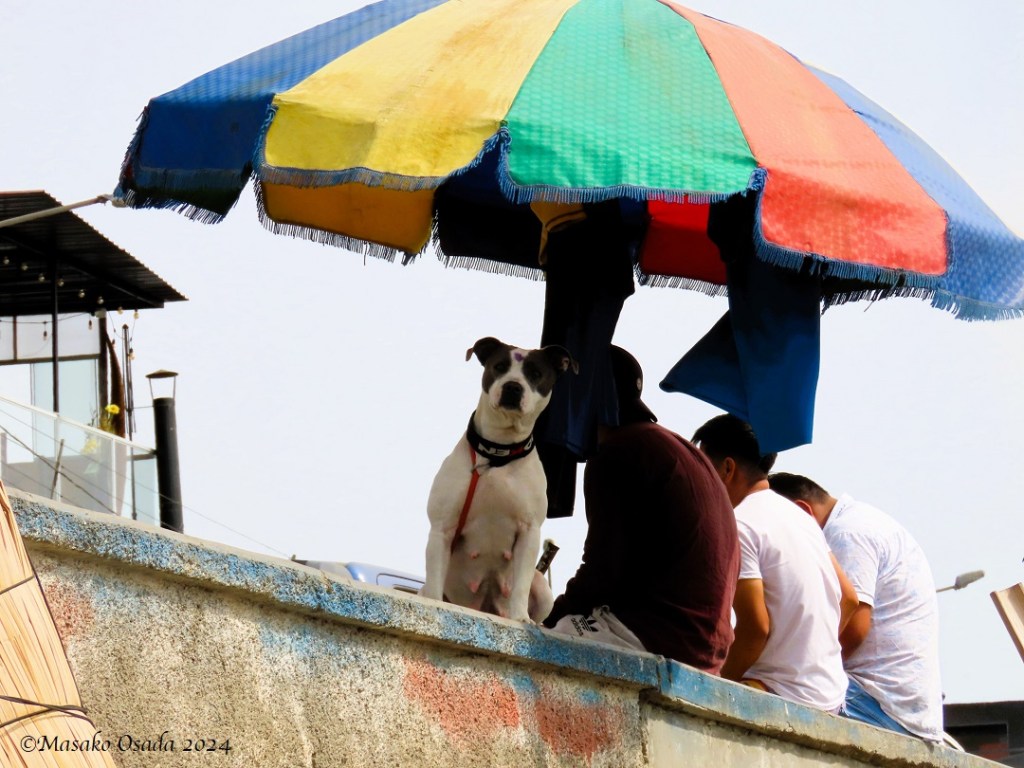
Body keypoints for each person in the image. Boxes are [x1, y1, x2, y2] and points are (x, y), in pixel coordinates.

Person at [544, 347, 740, 674]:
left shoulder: (616, 452)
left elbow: (601, 572)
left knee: (533, 648)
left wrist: (548, 621)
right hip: (707, 650)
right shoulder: (674, 447)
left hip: (657, 636)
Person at [691, 414, 855, 712]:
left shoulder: (738, 524)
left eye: (705, 470)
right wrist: (809, 658)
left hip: (782, 696)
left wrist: (713, 687)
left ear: (727, 469)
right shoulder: (801, 517)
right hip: (832, 696)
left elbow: (755, 629)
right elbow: (849, 598)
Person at [768, 473, 943, 740]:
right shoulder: (859, 522)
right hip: (895, 706)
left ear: (803, 513)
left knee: (765, 683)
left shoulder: (846, 534)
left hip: (878, 705)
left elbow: (852, 633)